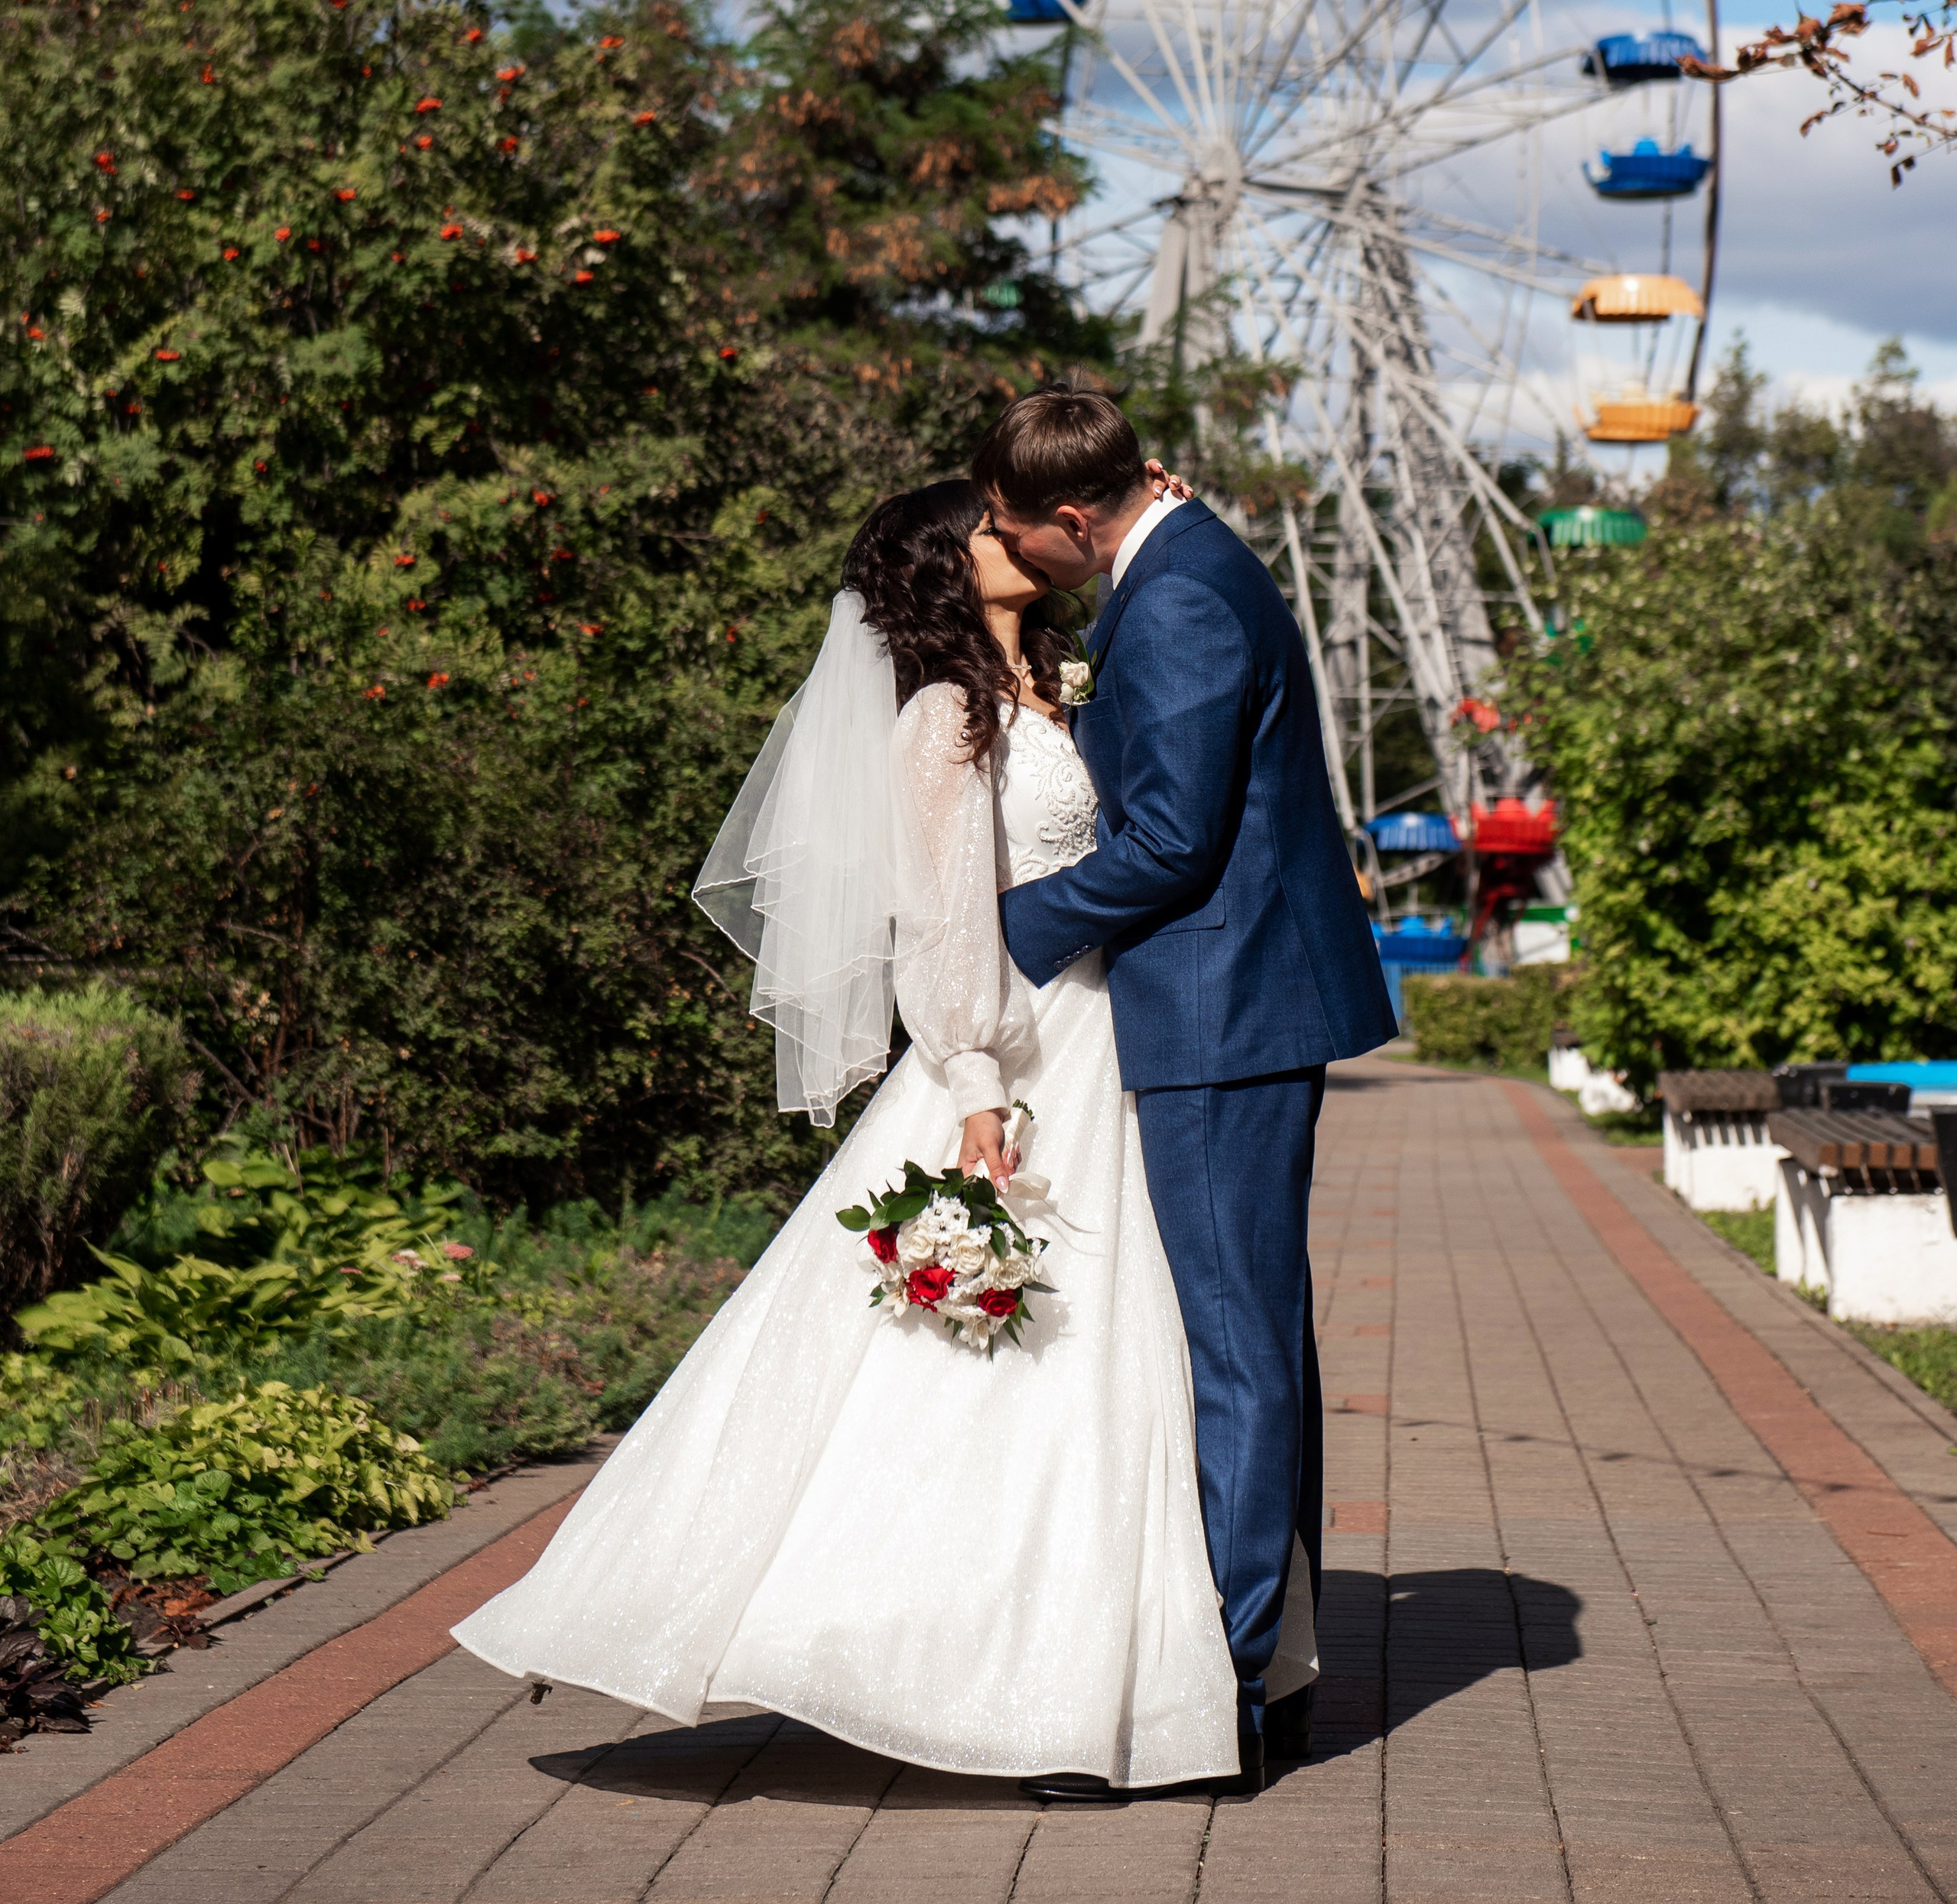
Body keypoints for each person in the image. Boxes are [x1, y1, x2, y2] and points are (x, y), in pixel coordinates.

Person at [452, 476, 1314, 1792]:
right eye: (987, 521)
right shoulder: (939, 719)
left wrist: (1160, 506)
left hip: (1115, 1038)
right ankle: (984, 1664)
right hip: (1018, 1052)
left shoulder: (1068, 684)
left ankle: (1137, 1663)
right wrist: (973, 1077)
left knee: (1130, 1356)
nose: (1014, 528)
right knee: (1011, 1362)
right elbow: (942, 916)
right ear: (950, 565)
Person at [975, 387, 1397, 1799]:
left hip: (1226, 1011)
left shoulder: (1184, 603)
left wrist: (1012, 935)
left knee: (1236, 1346)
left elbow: (1168, 843)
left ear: (1080, 518)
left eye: (1024, 537)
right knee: (1257, 1334)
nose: (1018, 557)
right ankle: (1274, 1676)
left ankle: (1212, 1690)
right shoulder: (1181, 569)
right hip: (1233, 1003)